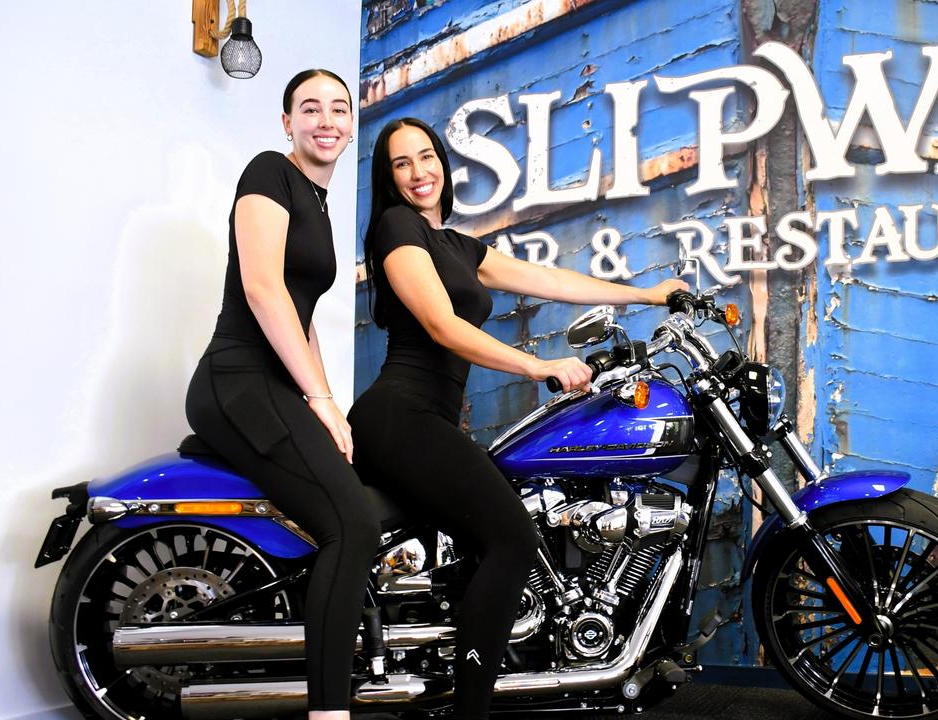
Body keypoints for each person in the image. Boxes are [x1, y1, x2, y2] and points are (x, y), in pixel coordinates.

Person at [348, 117, 686, 720]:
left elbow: (551, 280)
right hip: (400, 415)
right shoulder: (397, 228)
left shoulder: (456, 247)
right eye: (403, 163)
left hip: (430, 420)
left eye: (428, 157)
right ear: (388, 177)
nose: (420, 172)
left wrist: (646, 295)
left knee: (491, 539)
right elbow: (440, 326)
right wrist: (539, 366)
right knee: (512, 537)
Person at [184, 69, 374, 720]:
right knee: (351, 524)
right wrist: (317, 401)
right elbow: (265, 291)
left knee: (357, 493)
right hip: (237, 379)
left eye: (339, 109)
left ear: (351, 124)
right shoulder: (269, 171)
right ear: (286, 121)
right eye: (310, 108)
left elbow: (302, 314)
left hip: (271, 385)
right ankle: (329, 712)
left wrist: (328, 403)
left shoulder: (317, 201)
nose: (327, 119)